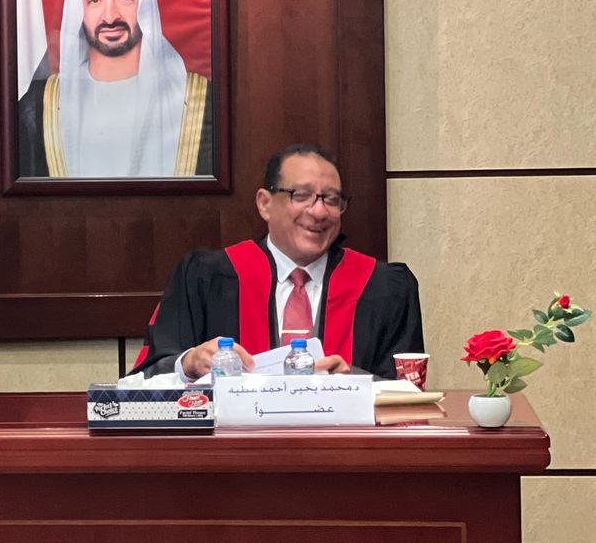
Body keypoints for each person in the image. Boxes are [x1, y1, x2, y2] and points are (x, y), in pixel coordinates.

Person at [133, 144, 424, 379]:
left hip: (346, 437)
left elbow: (407, 394)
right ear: (265, 203)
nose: (319, 211)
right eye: (302, 195)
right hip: (232, 437)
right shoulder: (205, 278)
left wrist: (354, 381)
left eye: (332, 199)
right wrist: (189, 364)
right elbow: (146, 378)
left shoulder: (385, 287)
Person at [18, 0, 212, 178]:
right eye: (95, 0)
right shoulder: (39, 105)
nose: (110, 17)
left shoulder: (199, 100)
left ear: (144, 4)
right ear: (79, 9)